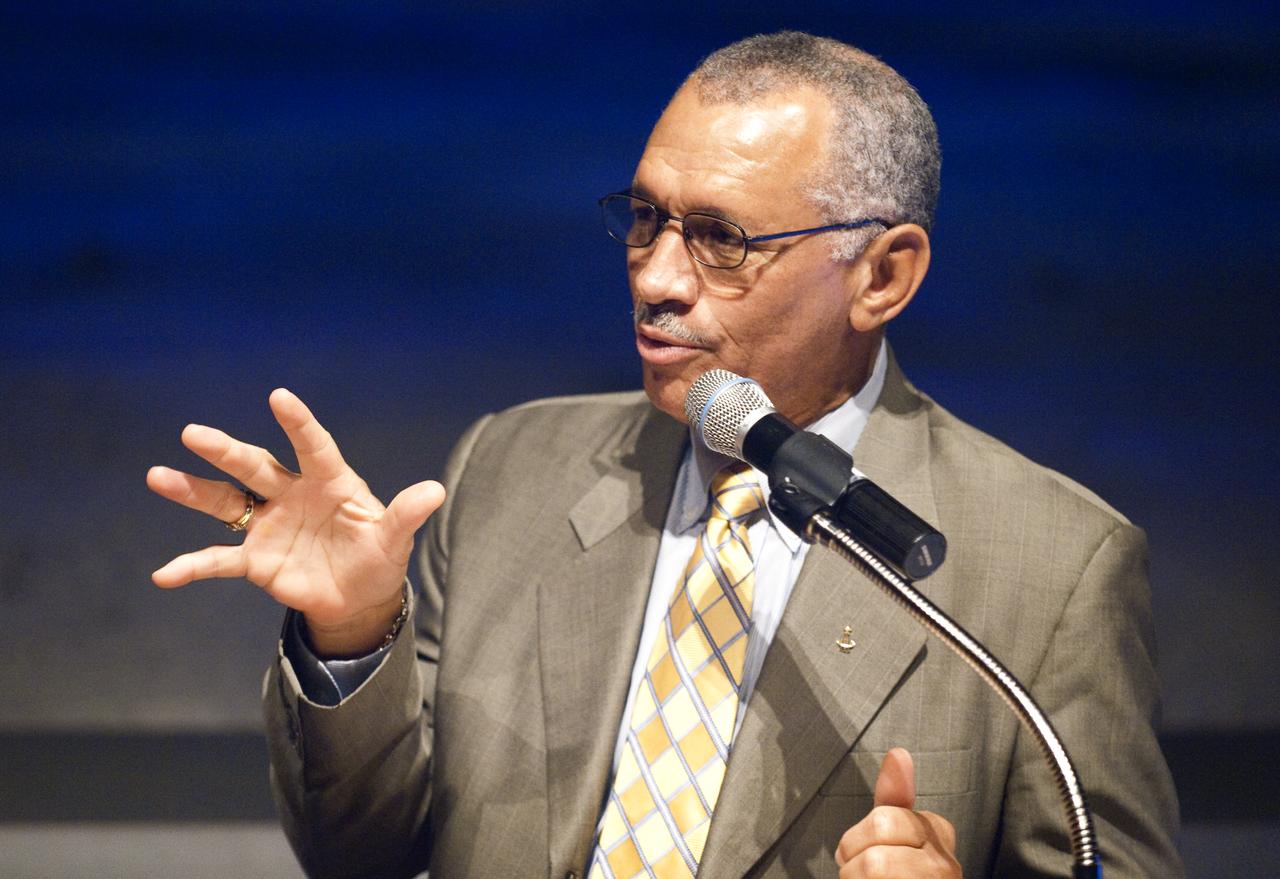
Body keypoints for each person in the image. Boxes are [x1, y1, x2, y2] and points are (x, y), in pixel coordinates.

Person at [147, 31, 1183, 879]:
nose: (655, 278)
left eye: (721, 239)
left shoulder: (1053, 567)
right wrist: (352, 634)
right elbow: (360, 853)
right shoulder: (514, 466)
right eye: (645, 220)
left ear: (880, 275)